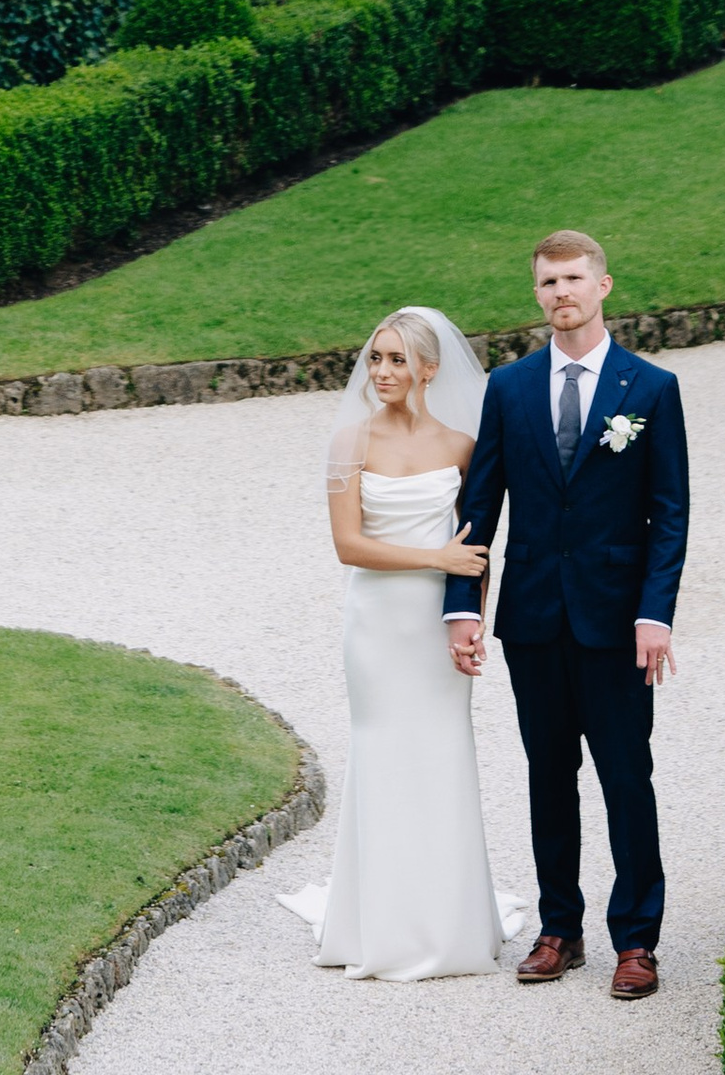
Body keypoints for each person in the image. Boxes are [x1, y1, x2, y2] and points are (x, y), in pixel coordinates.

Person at [442, 227, 689, 1004]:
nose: (561, 294)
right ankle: (560, 929)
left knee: (626, 779)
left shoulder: (649, 389)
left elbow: (670, 513)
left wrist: (656, 615)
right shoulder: (510, 389)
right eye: (548, 283)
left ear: (604, 285)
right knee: (549, 777)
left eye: (574, 280)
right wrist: (462, 609)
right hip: (536, 620)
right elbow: (477, 508)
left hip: (618, 625)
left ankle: (637, 940)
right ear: (538, 292)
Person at [279, 306, 520, 979]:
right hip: (378, 623)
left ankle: (450, 920)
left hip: (436, 626)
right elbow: (346, 545)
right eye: (377, 358)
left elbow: (477, 552)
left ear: (430, 369)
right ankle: (376, 925)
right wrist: (432, 561)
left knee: (442, 754)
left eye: (396, 360)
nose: (381, 371)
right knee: (383, 753)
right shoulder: (350, 442)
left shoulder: (461, 447)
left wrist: (471, 621)